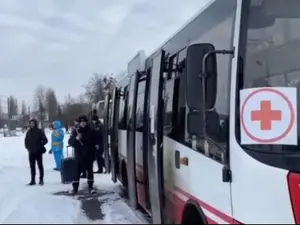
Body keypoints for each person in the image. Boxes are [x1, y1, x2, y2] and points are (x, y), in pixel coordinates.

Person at [68, 115, 97, 194]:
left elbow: (94, 141)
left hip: (88, 154)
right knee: (77, 172)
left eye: (84, 122)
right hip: (79, 154)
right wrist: (76, 139)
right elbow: (70, 142)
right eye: (81, 122)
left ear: (86, 122)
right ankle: (75, 188)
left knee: (90, 171)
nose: (83, 123)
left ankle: (91, 187)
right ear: (79, 123)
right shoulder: (75, 131)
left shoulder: (91, 130)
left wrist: (94, 148)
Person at [24, 118, 48, 186]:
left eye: (33, 123)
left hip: (38, 152)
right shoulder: (28, 132)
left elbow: (45, 140)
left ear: (35, 124)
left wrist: (40, 145)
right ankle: (32, 180)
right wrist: (27, 147)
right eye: (30, 123)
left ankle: (41, 180)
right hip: (31, 152)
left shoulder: (39, 131)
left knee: (40, 166)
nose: (31, 125)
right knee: (32, 166)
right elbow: (26, 140)